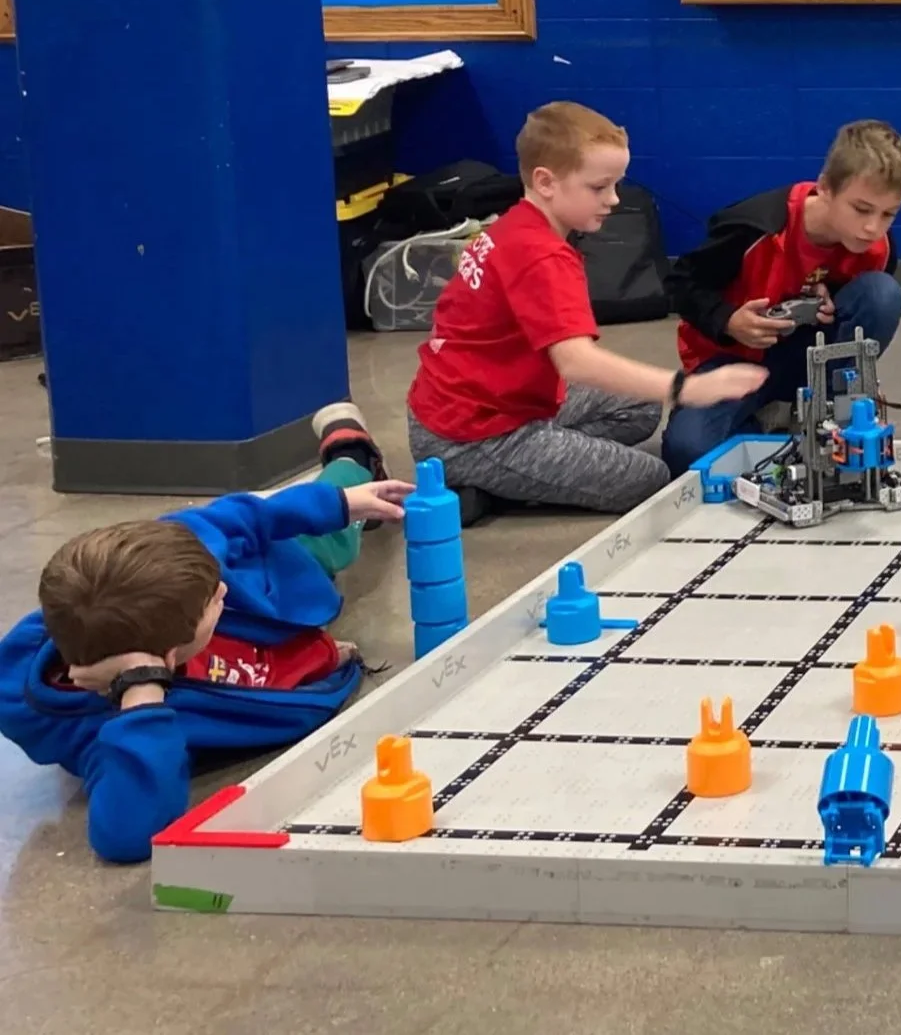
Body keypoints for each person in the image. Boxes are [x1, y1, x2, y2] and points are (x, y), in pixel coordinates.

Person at [0, 406, 411, 863]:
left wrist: (337, 504)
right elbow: (126, 836)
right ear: (166, 657)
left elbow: (232, 519)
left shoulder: (162, 570)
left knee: (340, 530)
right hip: (265, 628)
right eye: (211, 603)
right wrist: (141, 691)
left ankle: (350, 450)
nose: (222, 591)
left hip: (281, 572)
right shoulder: (88, 724)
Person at [406, 101, 766, 521]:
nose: (613, 199)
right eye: (599, 187)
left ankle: (515, 474)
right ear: (546, 182)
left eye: (615, 185)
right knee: (649, 479)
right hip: (472, 433)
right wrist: (686, 388)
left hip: (469, 403)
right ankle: (486, 478)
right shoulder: (542, 257)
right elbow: (576, 361)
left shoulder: (516, 224)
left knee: (641, 408)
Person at [660, 120, 901, 475]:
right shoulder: (754, 226)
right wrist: (728, 320)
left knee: (882, 294)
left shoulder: (879, 249)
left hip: (808, 357)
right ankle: (767, 418)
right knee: (688, 454)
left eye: (888, 214)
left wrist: (831, 296)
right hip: (732, 360)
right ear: (825, 188)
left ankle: (828, 410)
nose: (873, 227)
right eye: (861, 209)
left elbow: (866, 305)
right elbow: (680, 284)